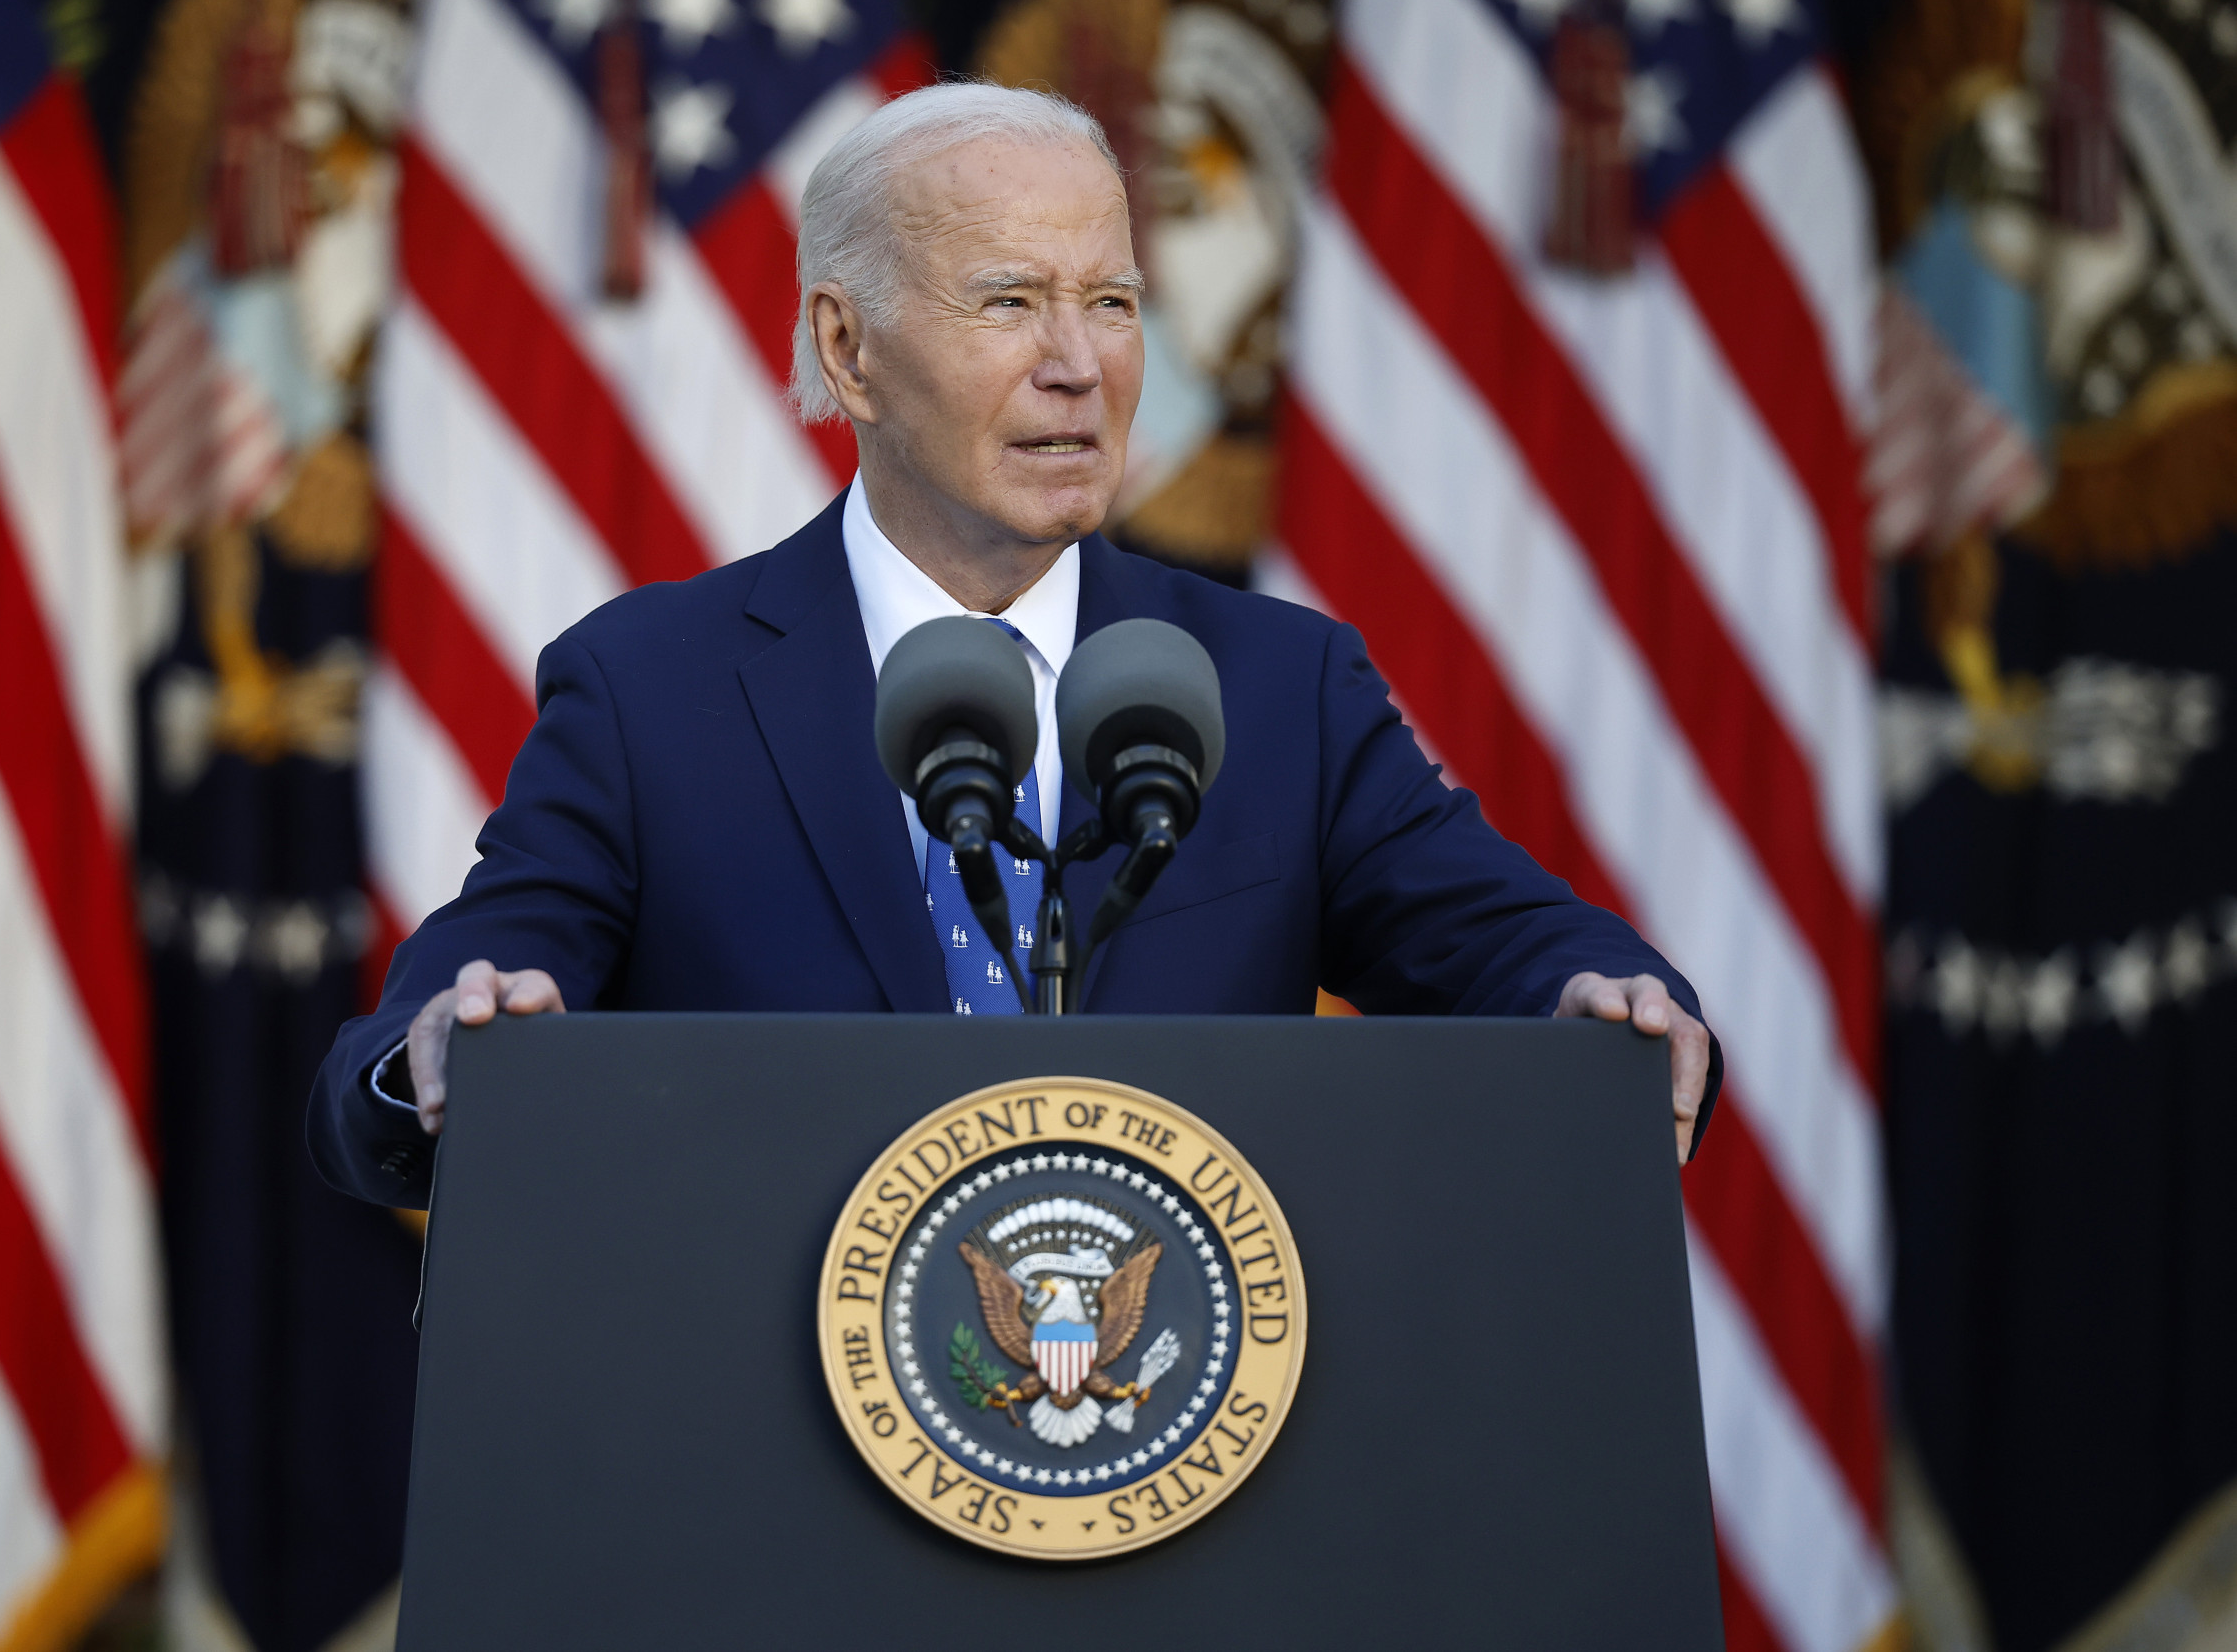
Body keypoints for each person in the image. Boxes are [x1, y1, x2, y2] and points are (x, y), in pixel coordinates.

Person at [310, 83, 1718, 1208]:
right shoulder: (652, 689)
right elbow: (447, 1006)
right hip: (783, 1494)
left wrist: (1602, 1000)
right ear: (848, 351)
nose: (1081, 363)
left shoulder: (1280, 689)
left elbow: (1514, 943)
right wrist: (440, 1053)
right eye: (1008, 300)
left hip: (1179, 1470)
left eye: (1110, 300)